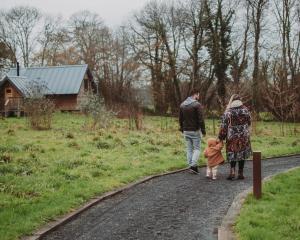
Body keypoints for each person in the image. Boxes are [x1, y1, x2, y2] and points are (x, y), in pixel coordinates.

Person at [218, 94, 252, 180]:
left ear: (232, 101)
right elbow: (249, 122)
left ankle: (232, 172)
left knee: (232, 153)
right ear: (240, 100)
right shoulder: (246, 110)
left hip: (232, 137)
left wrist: (221, 137)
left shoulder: (228, 112)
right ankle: (240, 173)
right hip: (243, 136)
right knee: (242, 153)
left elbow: (223, 126)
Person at [179, 88, 206, 174]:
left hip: (186, 130)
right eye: (198, 95)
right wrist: (203, 130)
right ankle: (193, 166)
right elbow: (201, 119)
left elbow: (180, 119)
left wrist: (182, 129)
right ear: (195, 94)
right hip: (195, 130)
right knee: (197, 149)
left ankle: (191, 165)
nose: (198, 96)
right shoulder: (197, 105)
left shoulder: (182, 105)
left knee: (189, 149)